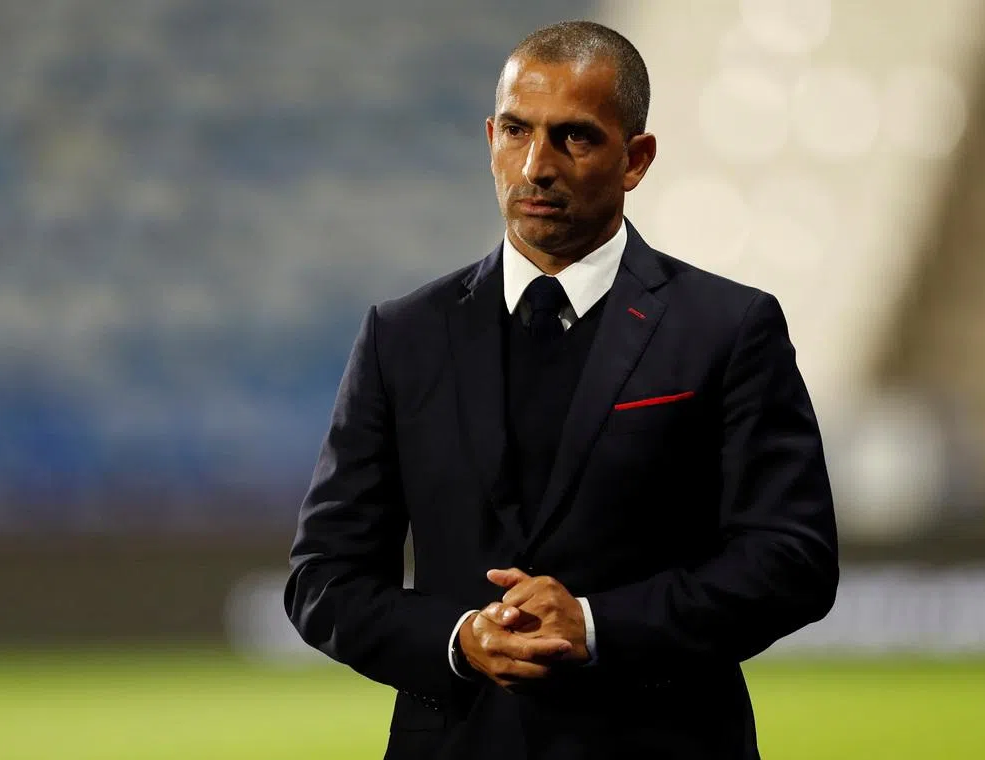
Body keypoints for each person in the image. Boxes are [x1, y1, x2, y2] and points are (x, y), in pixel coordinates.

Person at [285, 19, 838, 760]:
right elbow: (324, 577)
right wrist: (457, 640)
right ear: (489, 138)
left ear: (636, 159)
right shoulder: (402, 337)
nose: (536, 165)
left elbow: (791, 559)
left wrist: (597, 622)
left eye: (573, 137)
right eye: (517, 131)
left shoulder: (729, 328)